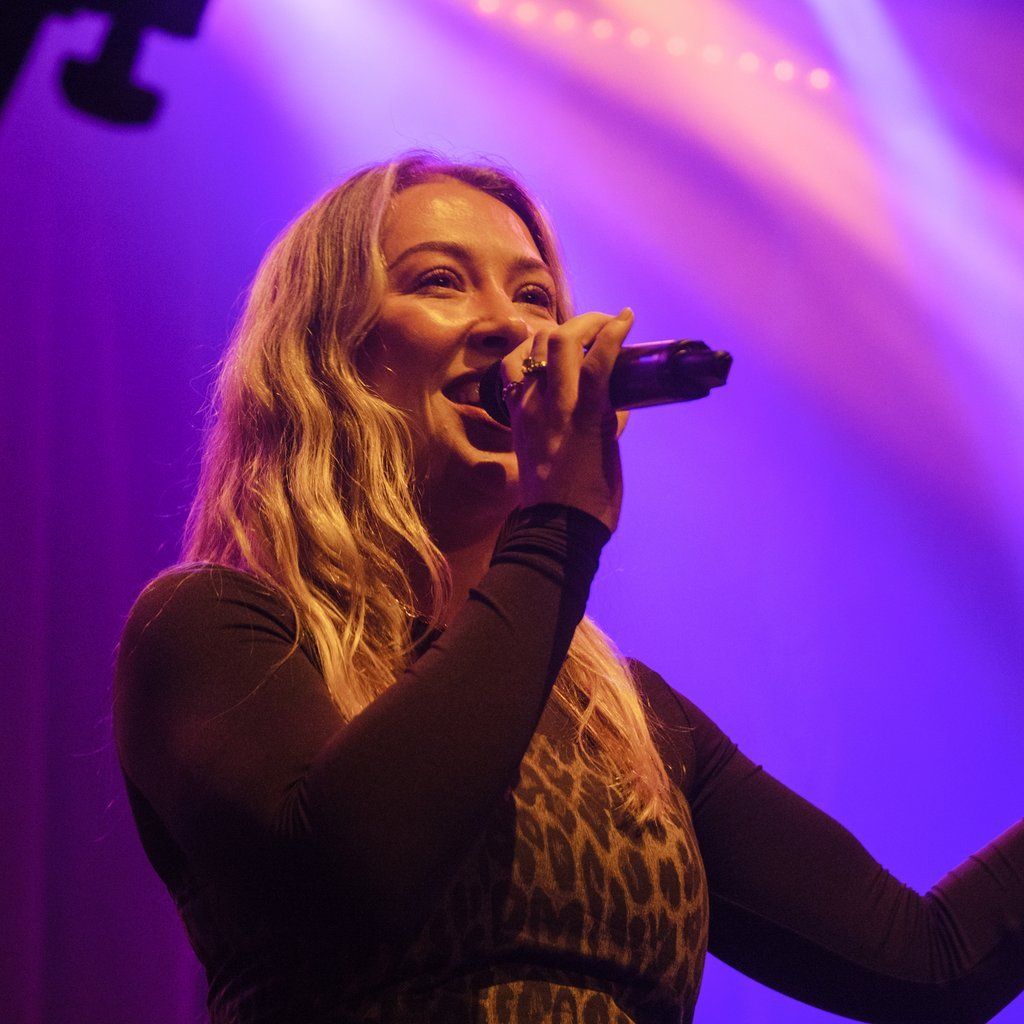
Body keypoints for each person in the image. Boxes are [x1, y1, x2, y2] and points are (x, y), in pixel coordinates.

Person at [114, 152, 1024, 1024]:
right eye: (440, 280)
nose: (514, 328)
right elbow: (352, 881)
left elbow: (930, 964)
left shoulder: (623, 721)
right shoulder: (214, 630)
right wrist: (557, 527)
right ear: (328, 355)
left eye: (535, 296)